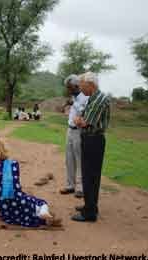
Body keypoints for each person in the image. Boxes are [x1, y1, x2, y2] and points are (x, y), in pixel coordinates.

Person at [71, 72, 110, 222]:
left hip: (93, 140)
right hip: (90, 139)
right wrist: (79, 120)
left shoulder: (99, 100)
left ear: (90, 84)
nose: (80, 88)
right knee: (89, 174)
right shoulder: (93, 98)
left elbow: (84, 122)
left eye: (82, 85)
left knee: (90, 175)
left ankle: (90, 212)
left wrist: (76, 119)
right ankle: (90, 205)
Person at [60, 75, 89, 199]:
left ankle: (81, 188)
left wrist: (74, 104)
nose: (68, 90)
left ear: (76, 86)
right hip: (70, 130)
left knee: (79, 159)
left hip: (79, 131)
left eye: (69, 87)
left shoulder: (85, 97)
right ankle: (70, 185)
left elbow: (84, 111)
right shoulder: (74, 97)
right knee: (69, 159)